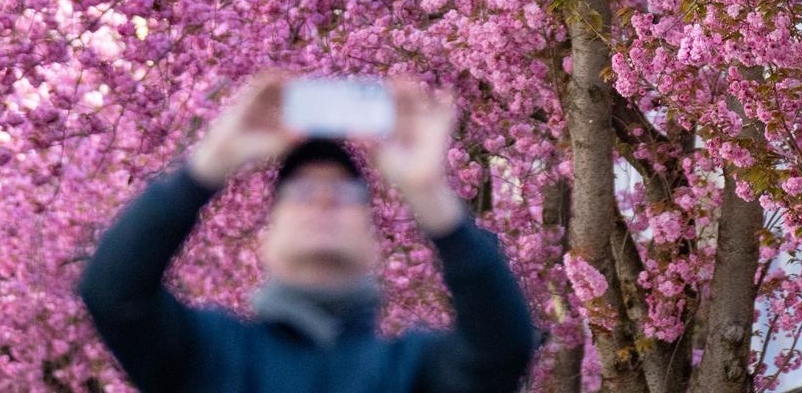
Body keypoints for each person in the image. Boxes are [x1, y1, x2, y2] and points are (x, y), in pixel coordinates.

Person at [79, 74, 536, 393]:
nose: (322, 202)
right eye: (301, 192)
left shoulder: (413, 370)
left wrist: (430, 195)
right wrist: (212, 161)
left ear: (375, 246)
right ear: (265, 243)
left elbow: (503, 349)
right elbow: (114, 293)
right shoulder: (210, 353)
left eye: (344, 195)